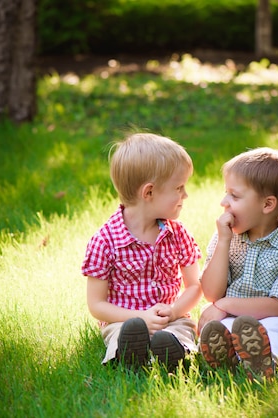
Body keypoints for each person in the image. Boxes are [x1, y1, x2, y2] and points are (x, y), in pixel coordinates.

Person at [81, 132, 203, 370]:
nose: (185, 195)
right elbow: (96, 304)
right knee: (119, 333)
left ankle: (174, 353)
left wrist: (174, 310)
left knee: (181, 330)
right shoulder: (105, 241)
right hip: (123, 320)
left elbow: (195, 286)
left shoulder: (177, 234)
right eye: (179, 188)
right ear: (148, 193)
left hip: (169, 317)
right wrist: (138, 319)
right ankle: (129, 354)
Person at [197, 147, 278, 381]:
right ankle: (226, 358)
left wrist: (225, 303)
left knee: (277, 333)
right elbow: (211, 293)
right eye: (226, 193)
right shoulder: (224, 237)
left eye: (234, 196)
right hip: (231, 317)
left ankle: (267, 365)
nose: (223, 202)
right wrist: (224, 242)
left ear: (267, 205)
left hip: (275, 318)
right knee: (219, 328)